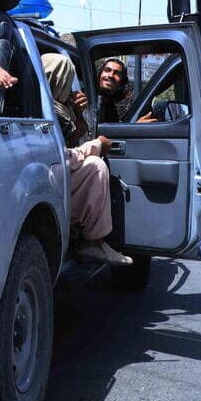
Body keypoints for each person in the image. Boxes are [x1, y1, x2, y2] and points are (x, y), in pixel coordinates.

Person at [41, 53, 131, 266]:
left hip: (56, 176)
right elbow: (60, 154)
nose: (110, 76)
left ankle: (94, 241)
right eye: (107, 71)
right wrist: (97, 145)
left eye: (117, 73)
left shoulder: (65, 106)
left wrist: (77, 115)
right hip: (50, 179)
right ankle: (93, 241)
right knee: (95, 166)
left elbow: (71, 139)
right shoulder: (45, 109)